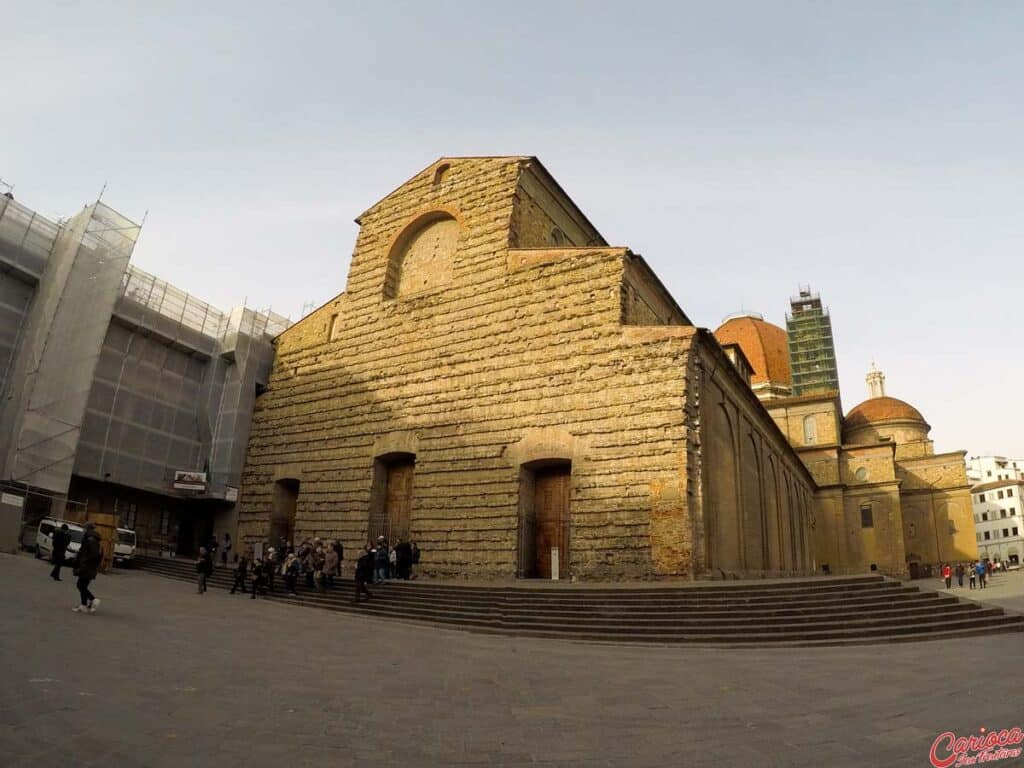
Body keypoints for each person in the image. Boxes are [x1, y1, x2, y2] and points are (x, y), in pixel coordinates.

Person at [73, 522, 102, 614]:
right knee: (82, 585)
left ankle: (93, 600)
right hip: (88, 566)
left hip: (87, 566)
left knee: (81, 585)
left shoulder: (91, 539)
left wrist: (84, 563)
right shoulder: (90, 538)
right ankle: (84, 605)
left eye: (84, 528)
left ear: (88, 529)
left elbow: (92, 554)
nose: (83, 530)